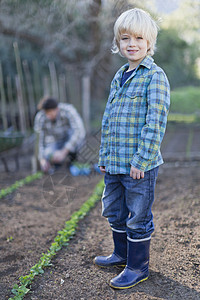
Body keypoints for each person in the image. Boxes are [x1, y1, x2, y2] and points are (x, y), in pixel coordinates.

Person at [94, 8, 170, 289]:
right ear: (118, 42)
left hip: (139, 166)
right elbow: (109, 119)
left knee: (138, 216)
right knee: (113, 210)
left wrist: (142, 159)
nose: (132, 43)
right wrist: (104, 156)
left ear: (149, 43)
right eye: (125, 38)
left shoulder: (155, 76)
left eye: (139, 38)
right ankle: (121, 254)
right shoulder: (120, 75)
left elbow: (155, 122)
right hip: (114, 163)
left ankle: (137, 267)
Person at [34, 97, 86, 173]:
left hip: (69, 138)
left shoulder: (68, 110)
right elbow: (40, 140)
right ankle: (55, 163)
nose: (48, 116)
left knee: (77, 139)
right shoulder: (40, 117)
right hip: (55, 140)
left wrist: (64, 151)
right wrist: (42, 159)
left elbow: (79, 131)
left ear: (57, 109)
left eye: (51, 113)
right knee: (48, 153)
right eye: (47, 113)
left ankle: (72, 159)